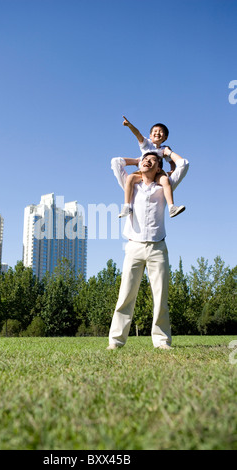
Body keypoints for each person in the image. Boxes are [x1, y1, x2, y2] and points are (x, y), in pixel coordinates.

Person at [107, 148, 189, 350]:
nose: (148, 162)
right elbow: (116, 161)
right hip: (134, 247)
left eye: (153, 161)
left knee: (160, 297)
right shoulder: (131, 184)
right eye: (146, 160)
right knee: (125, 295)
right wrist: (137, 160)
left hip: (157, 248)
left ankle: (162, 341)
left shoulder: (165, 184)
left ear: (159, 167)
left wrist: (168, 153)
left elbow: (184, 164)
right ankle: (116, 341)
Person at [118, 116, 185, 219]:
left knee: (165, 180)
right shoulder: (146, 144)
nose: (157, 133)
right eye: (155, 131)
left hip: (157, 172)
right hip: (143, 171)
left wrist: (172, 171)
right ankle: (127, 206)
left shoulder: (164, 149)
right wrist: (130, 125)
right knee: (130, 178)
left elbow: (172, 162)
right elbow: (137, 134)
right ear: (150, 135)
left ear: (165, 137)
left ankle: (171, 207)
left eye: (160, 132)